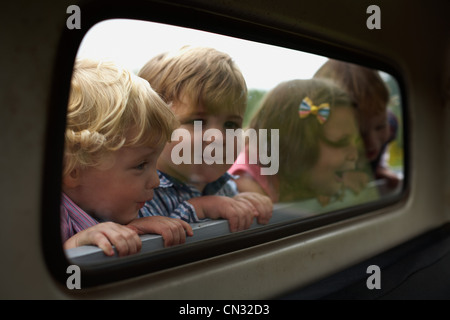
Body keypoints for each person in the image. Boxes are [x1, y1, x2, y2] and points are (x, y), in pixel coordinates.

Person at [61, 59, 193, 257]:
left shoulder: (127, 208)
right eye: (141, 165)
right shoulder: (50, 217)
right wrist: (77, 245)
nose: (156, 181)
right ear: (73, 169)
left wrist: (134, 229)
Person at [137, 46, 272, 232]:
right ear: (151, 125)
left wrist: (244, 206)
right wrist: (199, 208)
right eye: (197, 121)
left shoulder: (226, 187)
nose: (217, 138)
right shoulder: (140, 192)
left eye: (231, 125)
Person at [229, 78, 360, 204]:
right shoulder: (245, 182)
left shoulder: (290, 172)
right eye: (341, 142)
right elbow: (278, 221)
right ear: (298, 146)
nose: (354, 155)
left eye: (356, 141)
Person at [313, 59, 400, 189]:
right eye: (359, 133)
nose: (372, 143)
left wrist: (379, 168)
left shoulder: (391, 124)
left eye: (380, 126)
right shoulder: (312, 146)